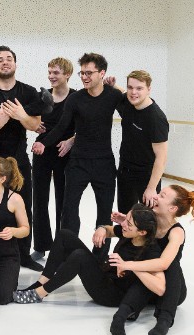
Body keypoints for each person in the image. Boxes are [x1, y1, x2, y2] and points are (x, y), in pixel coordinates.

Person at [14, 205, 165, 335]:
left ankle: (39, 293)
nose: (123, 224)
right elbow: (110, 230)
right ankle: (41, 282)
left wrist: (128, 266)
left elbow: (159, 287)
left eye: (129, 223)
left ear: (142, 232)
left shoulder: (152, 251)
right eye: (126, 219)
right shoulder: (128, 232)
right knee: (64, 235)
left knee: (79, 256)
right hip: (106, 274)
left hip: (112, 294)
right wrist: (102, 229)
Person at [33, 53, 124, 262]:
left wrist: (117, 87)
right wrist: (44, 143)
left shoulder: (112, 95)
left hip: (104, 163)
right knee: (69, 211)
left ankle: (99, 258)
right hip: (78, 163)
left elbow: (133, 106)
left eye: (89, 73)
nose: (84, 77)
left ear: (102, 73)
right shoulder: (75, 99)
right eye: (82, 73)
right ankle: (67, 253)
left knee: (104, 214)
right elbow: (61, 127)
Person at [0, 45, 50, 272]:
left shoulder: (28, 92)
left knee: (24, 205)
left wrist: (21, 115)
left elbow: (35, 125)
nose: (5, 62)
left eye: (8, 59)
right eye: (0, 59)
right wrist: (0, 122)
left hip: (17, 159)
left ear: (15, 63)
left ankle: (23, 255)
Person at [108, 185, 194, 335]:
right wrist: (127, 221)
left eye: (162, 196)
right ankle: (122, 316)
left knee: (171, 264)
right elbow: (137, 229)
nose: (156, 197)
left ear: (172, 208)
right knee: (144, 272)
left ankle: (165, 320)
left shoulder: (176, 232)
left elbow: (163, 264)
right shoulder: (150, 221)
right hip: (152, 283)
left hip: (171, 289)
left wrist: (127, 264)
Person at [30, 58, 76, 262]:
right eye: (49, 72)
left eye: (56, 72)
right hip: (42, 151)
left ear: (67, 74)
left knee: (63, 200)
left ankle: (61, 246)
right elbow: (30, 118)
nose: (51, 76)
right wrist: (34, 125)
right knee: (39, 199)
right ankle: (41, 245)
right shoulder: (43, 97)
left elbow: (84, 127)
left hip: (64, 152)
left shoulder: (75, 97)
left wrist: (71, 141)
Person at [104, 70, 169, 213]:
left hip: (146, 175)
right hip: (125, 171)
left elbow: (162, 158)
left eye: (139, 88)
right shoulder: (127, 103)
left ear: (149, 89)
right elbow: (124, 93)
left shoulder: (156, 118)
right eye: (130, 87)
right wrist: (114, 86)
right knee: (125, 216)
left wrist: (151, 188)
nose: (134, 92)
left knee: (148, 220)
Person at [0, 157, 30, 305]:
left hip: (6, 255)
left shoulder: (14, 199)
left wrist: (13, 231)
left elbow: (25, 229)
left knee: (2, 298)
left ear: (2, 179)